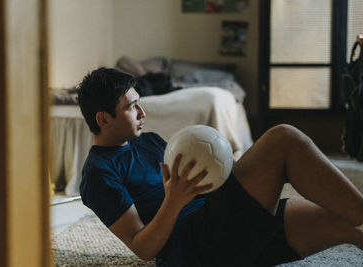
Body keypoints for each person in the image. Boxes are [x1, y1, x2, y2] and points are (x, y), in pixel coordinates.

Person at [77, 67, 363, 267]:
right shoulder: (98, 174)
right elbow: (142, 248)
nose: (142, 113)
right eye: (131, 107)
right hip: (195, 249)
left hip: (224, 223)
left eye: (140, 103)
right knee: (283, 138)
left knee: (347, 223)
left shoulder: (149, 141)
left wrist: (228, 169)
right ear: (103, 119)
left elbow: (204, 182)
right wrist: (174, 201)